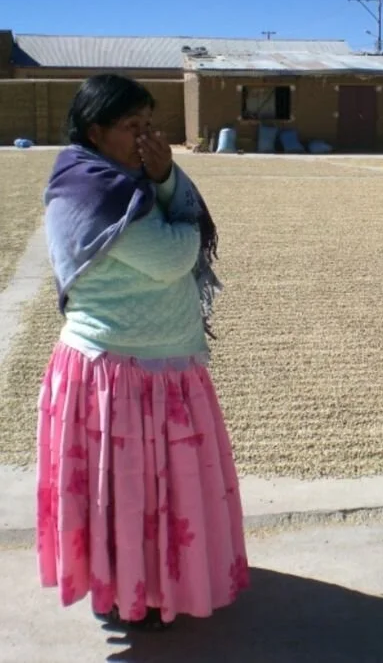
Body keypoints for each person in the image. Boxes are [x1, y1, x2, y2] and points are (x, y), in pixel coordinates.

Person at [37, 74, 247, 631]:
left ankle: (153, 584)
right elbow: (174, 256)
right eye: (132, 127)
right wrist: (164, 185)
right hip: (118, 373)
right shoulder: (94, 191)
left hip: (155, 368)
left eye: (150, 125)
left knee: (151, 491)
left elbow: (182, 221)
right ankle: (128, 590)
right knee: (126, 493)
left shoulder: (129, 183)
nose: (146, 138)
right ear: (95, 130)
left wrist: (164, 177)